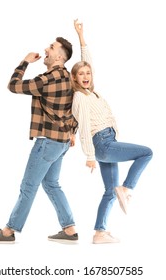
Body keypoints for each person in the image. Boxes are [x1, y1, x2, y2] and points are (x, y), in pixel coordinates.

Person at [0, 36, 79, 244]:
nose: (46, 49)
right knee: (51, 183)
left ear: (60, 57)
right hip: (61, 142)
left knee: (28, 186)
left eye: (51, 48)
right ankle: (70, 229)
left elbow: (13, 85)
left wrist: (24, 62)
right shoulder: (69, 79)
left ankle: (9, 231)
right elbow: (76, 109)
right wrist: (73, 132)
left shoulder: (48, 79)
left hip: (47, 143)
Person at [71, 19, 153, 244]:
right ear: (75, 79)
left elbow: (87, 63)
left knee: (109, 190)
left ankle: (99, 232)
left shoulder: (91, 92)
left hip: (106, 142)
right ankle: (127, 188)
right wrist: (89, 155)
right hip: (103, 144)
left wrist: (81, 36)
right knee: (146, 153)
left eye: (88, 73)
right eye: (81, 74)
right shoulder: (79, 97)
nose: (86, 76)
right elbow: (85, 126)